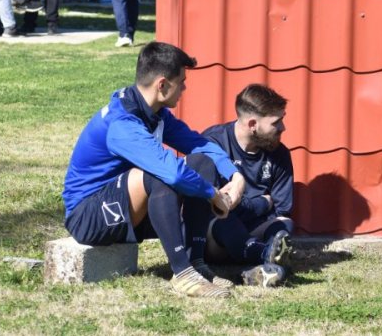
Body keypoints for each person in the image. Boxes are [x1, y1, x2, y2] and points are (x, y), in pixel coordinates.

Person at [62, 42, 248, 298]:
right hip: (88, 216)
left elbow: (199, 143)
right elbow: (170, 173)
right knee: (161, 172)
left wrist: (235, 176)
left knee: (201, 161)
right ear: (162, 85)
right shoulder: (122, 123)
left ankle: (196, 264)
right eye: (181, 82)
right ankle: (182, 273)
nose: (184, 88)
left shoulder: (154, 112)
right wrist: (212, 194)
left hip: (125, 205)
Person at [195, 84, 293, 288]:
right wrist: (262, 204)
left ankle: (261, 263)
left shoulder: (279, 154)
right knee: (225, 221)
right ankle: (265, 255)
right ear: (252, 124)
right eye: (277, 122)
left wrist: (248, 206)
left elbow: (282, 208)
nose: (283, 127)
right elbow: (213, 206)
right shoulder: (213, 144)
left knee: (285, 225)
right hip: (216, 237)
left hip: (253, 229)